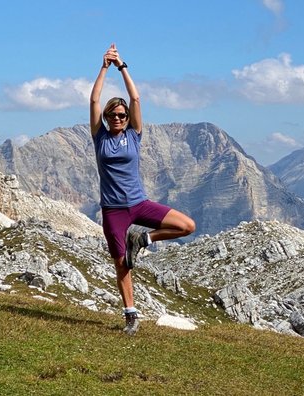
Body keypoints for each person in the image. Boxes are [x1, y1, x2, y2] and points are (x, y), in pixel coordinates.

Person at [90, 43, 196, 335]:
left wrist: (121, 66)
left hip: (139, 202)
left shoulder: (134, 135)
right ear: (107, 118)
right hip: (113, 209)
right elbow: (94, 100)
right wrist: (103, 68)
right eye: (113, 116)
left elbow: (136, 98)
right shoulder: (100, 137)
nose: (118, 119)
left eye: (122, 116)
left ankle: (144, 239)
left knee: (187, 225)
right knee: (122, 263)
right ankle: (131, 314)